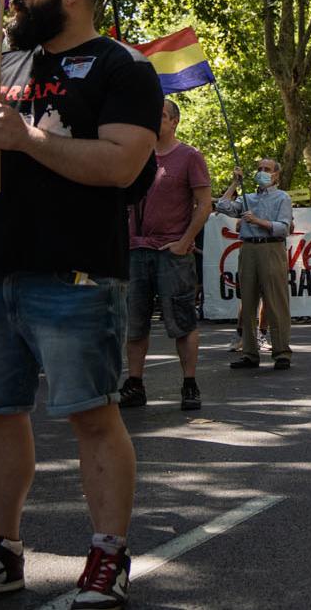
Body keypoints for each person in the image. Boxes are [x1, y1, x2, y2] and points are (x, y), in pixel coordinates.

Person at [0, 0, 161, 607]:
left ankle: (108, 555)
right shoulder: (5, 61)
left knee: (91, 413)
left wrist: (28, 139)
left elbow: (118, 164)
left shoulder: (124, 68)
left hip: (77, 272)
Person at [118, 99, 211, 411]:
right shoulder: (135, 155)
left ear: (174, 122)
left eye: (160, 115)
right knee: (135, 322)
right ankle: (135, 384)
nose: (153, 119)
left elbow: (204, 203)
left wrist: (185, 241)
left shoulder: (190, 156)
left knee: (182, 321)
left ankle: (189, 383)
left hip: (172, 253)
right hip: (134, 252)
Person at [218, 157, 294, 372]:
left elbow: (283, 227)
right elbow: (223, 206)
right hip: (248, 249)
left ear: (276, 174)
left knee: (276, 301)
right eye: (259, 169)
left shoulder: (282, 198)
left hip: (271, 248)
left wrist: (257, 221)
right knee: (248, 301)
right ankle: (249, 353)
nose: (262, 172)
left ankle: (281, 353)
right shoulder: (247, 197)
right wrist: (234, 182)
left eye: (267, 169)